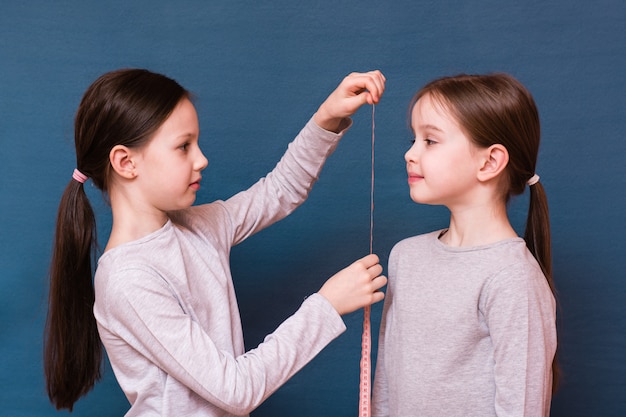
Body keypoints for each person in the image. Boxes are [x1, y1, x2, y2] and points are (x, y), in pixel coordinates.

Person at [44, 68, 387, 416]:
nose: (202, 159)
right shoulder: (128, 280)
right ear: (125, 162)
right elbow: (235, 390)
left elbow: (280, 191)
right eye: (183, 147)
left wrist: (327, 117)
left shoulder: (201, 225)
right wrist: (326, 307)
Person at [372, 73, 558, 416]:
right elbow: (385, 387)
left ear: (489, 162)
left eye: (430, 141)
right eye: (414, 139)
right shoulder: (405, 257)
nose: (409, 154)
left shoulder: (512, 278)